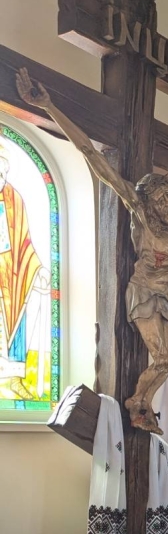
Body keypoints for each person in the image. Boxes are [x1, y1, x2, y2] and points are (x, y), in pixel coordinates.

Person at [17, 68, 168, 433]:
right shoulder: (141, 213)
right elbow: (92, 154)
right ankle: (138, 403)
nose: (167, 202)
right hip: (144, 292)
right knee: (164, 356)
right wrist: (49, 107)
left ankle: (139, 402)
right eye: (160, 197)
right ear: (149, 200)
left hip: (164, 295)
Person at [0, 146, 50, 401]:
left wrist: (37, 267)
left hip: (12, 272)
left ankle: (14, 378)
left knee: (18, 315)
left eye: (2, 172)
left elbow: (24, 241)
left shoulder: (14, 199)